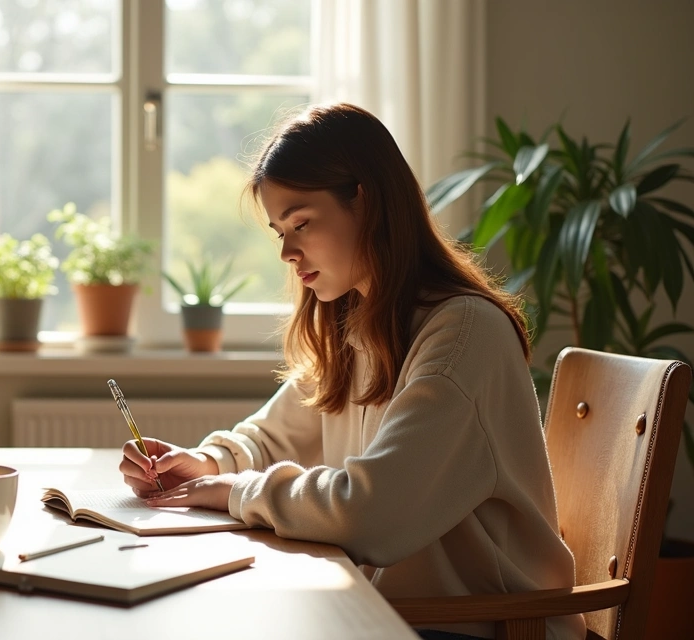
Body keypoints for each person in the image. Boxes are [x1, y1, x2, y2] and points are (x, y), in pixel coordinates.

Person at [119, 103, 584, 640]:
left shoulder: (462, 335)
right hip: (394, 616)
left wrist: (232, 490)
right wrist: (203, 463)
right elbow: (274, 436)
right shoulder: (358, 321)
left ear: (366, 202)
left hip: (480, 627)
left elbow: (371, 515)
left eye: (301, 223)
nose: (288, 252)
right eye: (279, 232)